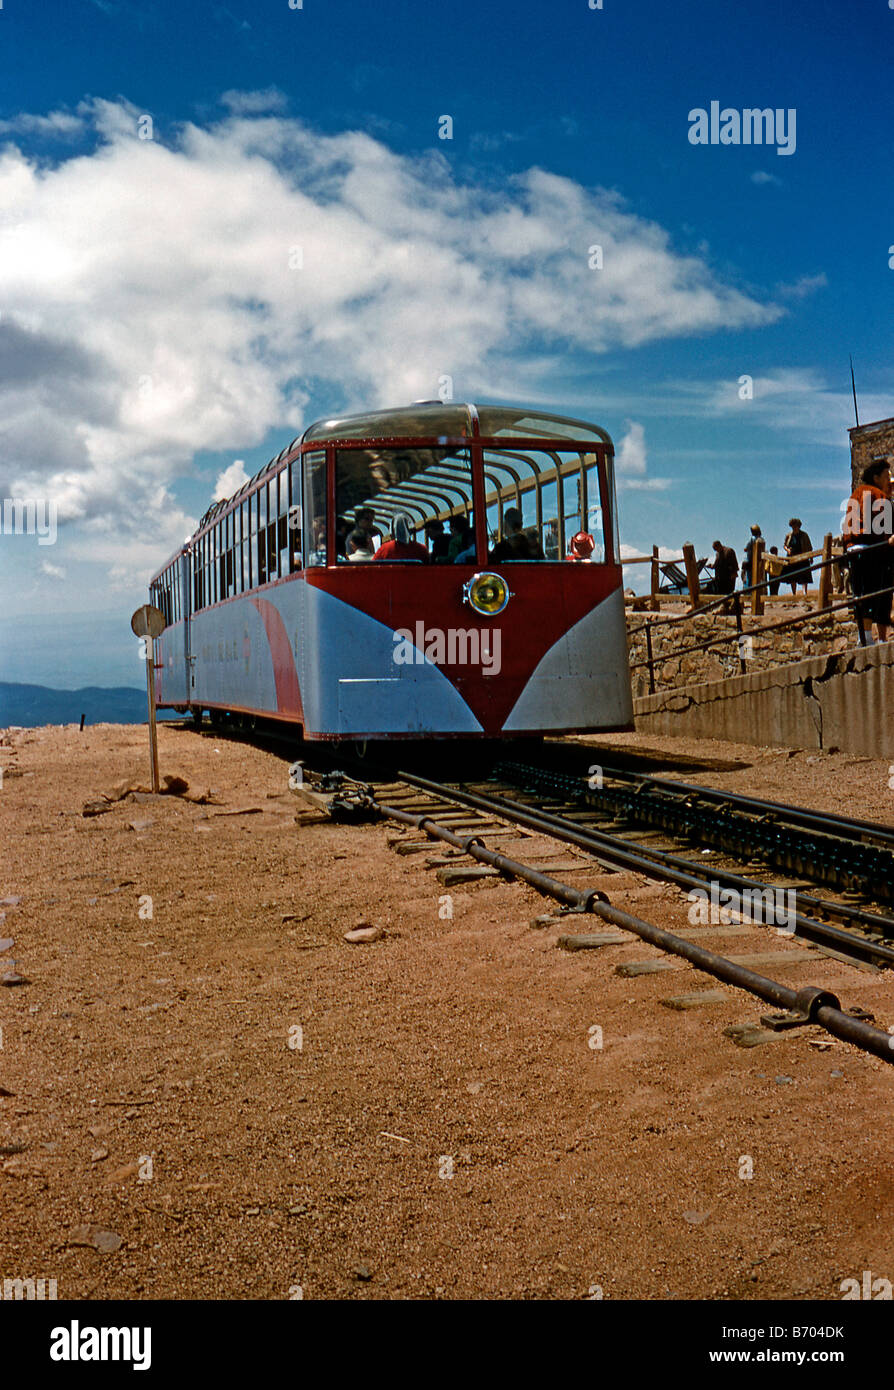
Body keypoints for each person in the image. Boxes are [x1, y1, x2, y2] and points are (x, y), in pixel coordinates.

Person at [842, 458, 894, 644]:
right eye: (887, 476)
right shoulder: (877, 495)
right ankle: (873, 638)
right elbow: (883, 528)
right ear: (876, 477)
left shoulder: (857, 494)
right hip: (872, 550)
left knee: (862, 594)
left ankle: (863, 637)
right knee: (875, 594)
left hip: (854, 549)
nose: (889, 480)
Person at [783, 518, 813, 594]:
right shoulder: (789, 535)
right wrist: (787, 550)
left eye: (795, 526)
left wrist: (811, 557)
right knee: (793, 577)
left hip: (803, 557)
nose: (794, 528)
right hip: (792, 558)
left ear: (798, 526)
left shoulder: (804, 535)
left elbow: (809, 547)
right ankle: (794, 593)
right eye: (793, 526)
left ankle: (804, 593)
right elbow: (785, 545)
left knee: (804, 576)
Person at [742, 524, 762, 590]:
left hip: (750, 560)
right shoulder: (761, 539)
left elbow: (747, 548)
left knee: (748, 578)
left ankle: (748, 591)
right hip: (757, 561)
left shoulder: (752, 539)